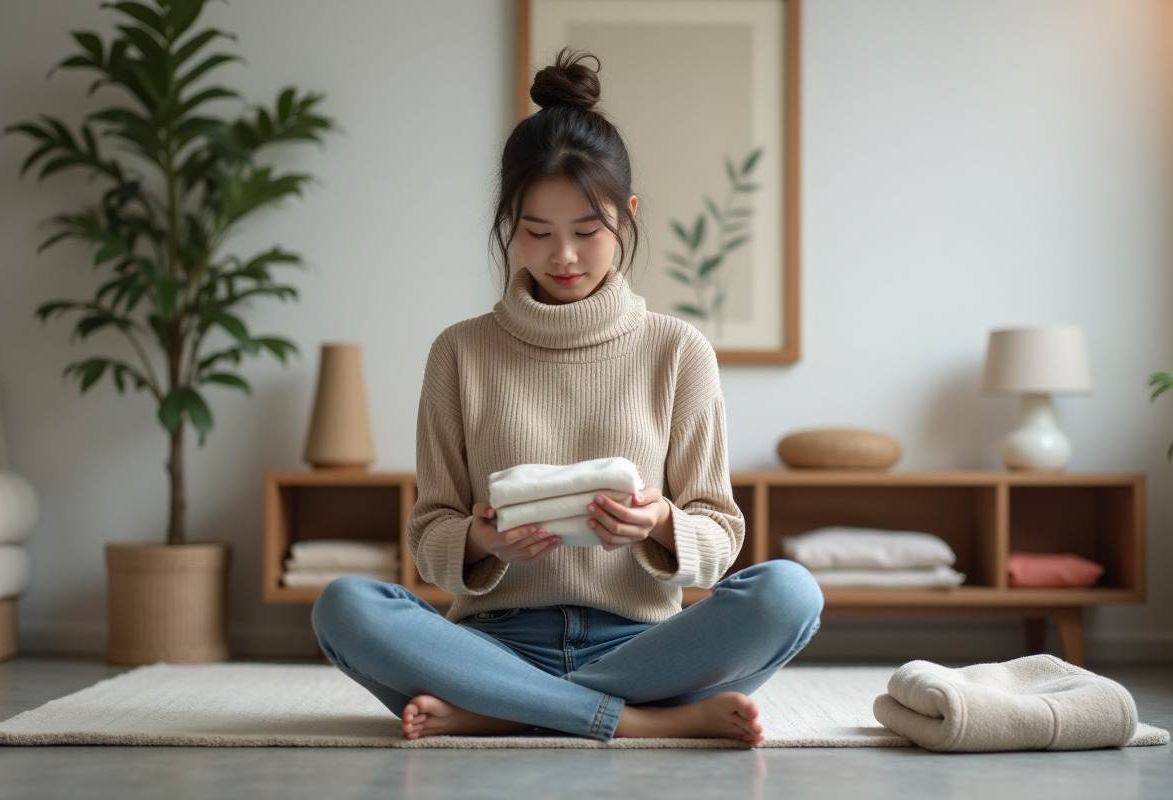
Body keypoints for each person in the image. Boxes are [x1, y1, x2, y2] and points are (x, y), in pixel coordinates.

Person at [311, 49, 823, 747]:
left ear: (628, 214)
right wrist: (481, 541)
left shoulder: (679, 351)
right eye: (536, 233)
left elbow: (720, 535)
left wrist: (660, 525)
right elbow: (428, 531)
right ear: (507, 222)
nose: (565, 258)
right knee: (345, 605)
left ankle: (502, 714)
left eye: (588, 232)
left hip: (643, 649)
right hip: (491, 646)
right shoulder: (459, 352)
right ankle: (636, 723)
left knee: (790, 593)